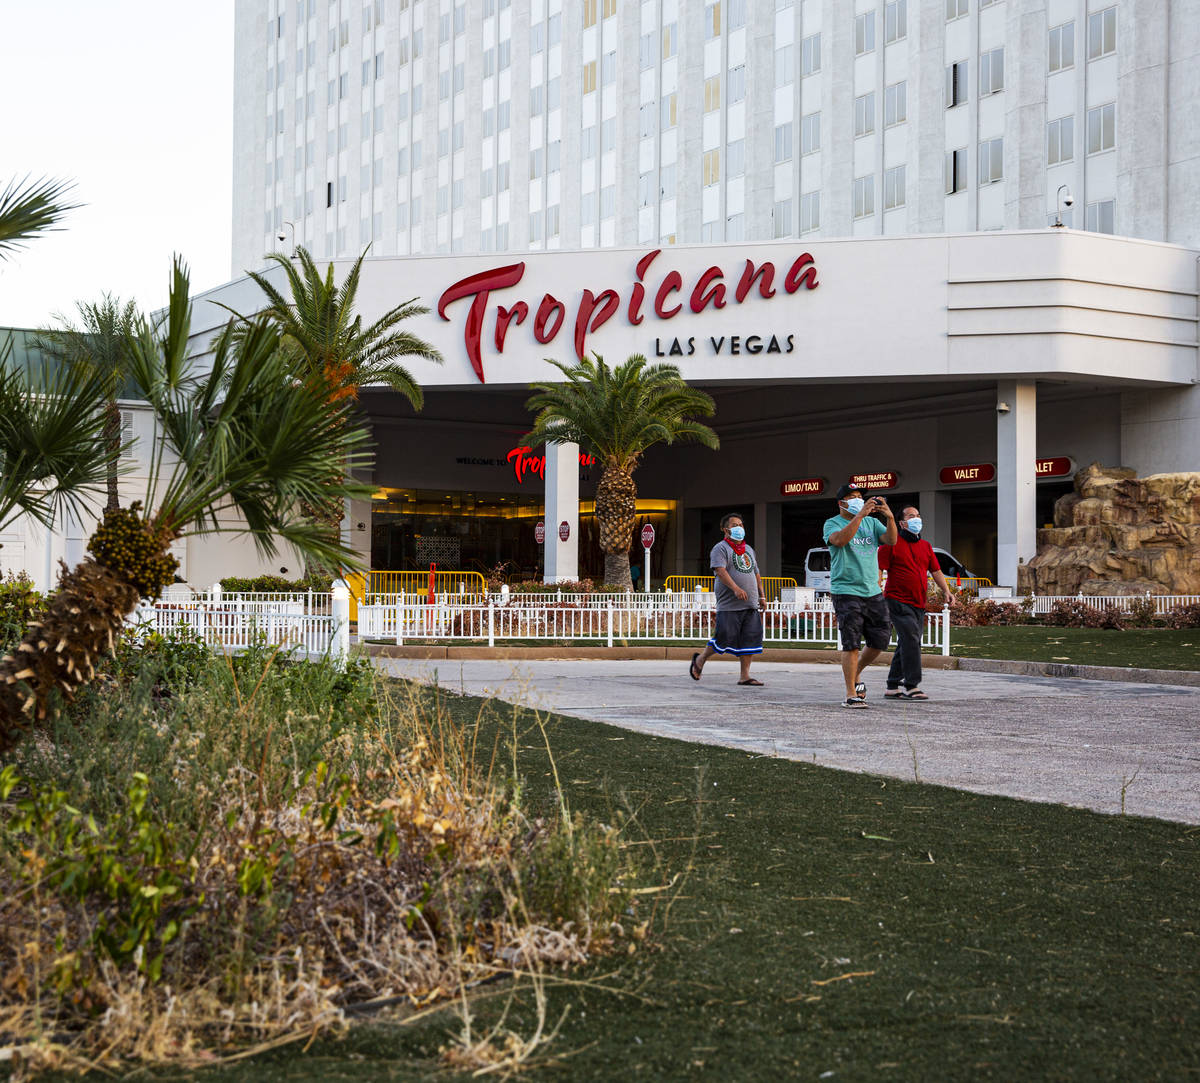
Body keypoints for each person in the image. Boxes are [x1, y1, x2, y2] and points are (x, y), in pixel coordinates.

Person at [823, 484, 897, 708]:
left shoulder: (872, 522)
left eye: (859, 497)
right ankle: (850, 694)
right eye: (852, 497)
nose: (857, 500)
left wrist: (890, 518)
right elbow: (840, 540)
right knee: (851, 643)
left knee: (880, 639)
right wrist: (861, 514)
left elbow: (891, 541)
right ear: (841, 503)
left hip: (872, 590)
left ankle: (857, 674)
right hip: (846, 590)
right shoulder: (832, 523)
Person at [878, 505, 955, 700]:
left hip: (918, 602)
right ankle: (912, 685)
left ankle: (892, 685)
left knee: (908, 641)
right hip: (896, 600)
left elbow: (936, 571)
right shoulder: (890, 544)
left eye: (918, 515)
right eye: (911, 516)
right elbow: (879, 568)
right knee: (911, 639)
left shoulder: (926, 546)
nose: (916, 519)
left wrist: (946, 590)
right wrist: (876, 589)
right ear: (902, 523)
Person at [689, 512, 767, 685]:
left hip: (750, 603)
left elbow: (756, 573)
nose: (739, 528)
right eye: (734, 525)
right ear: (725, 529)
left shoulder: (748, 549)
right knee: (724, 636)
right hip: (729, 604)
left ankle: (745, 676)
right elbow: (720, 571)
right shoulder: (720, 548)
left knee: (750, 638)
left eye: (741, 525)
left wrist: (762, 595)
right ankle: (700, 659)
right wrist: (736, 588)